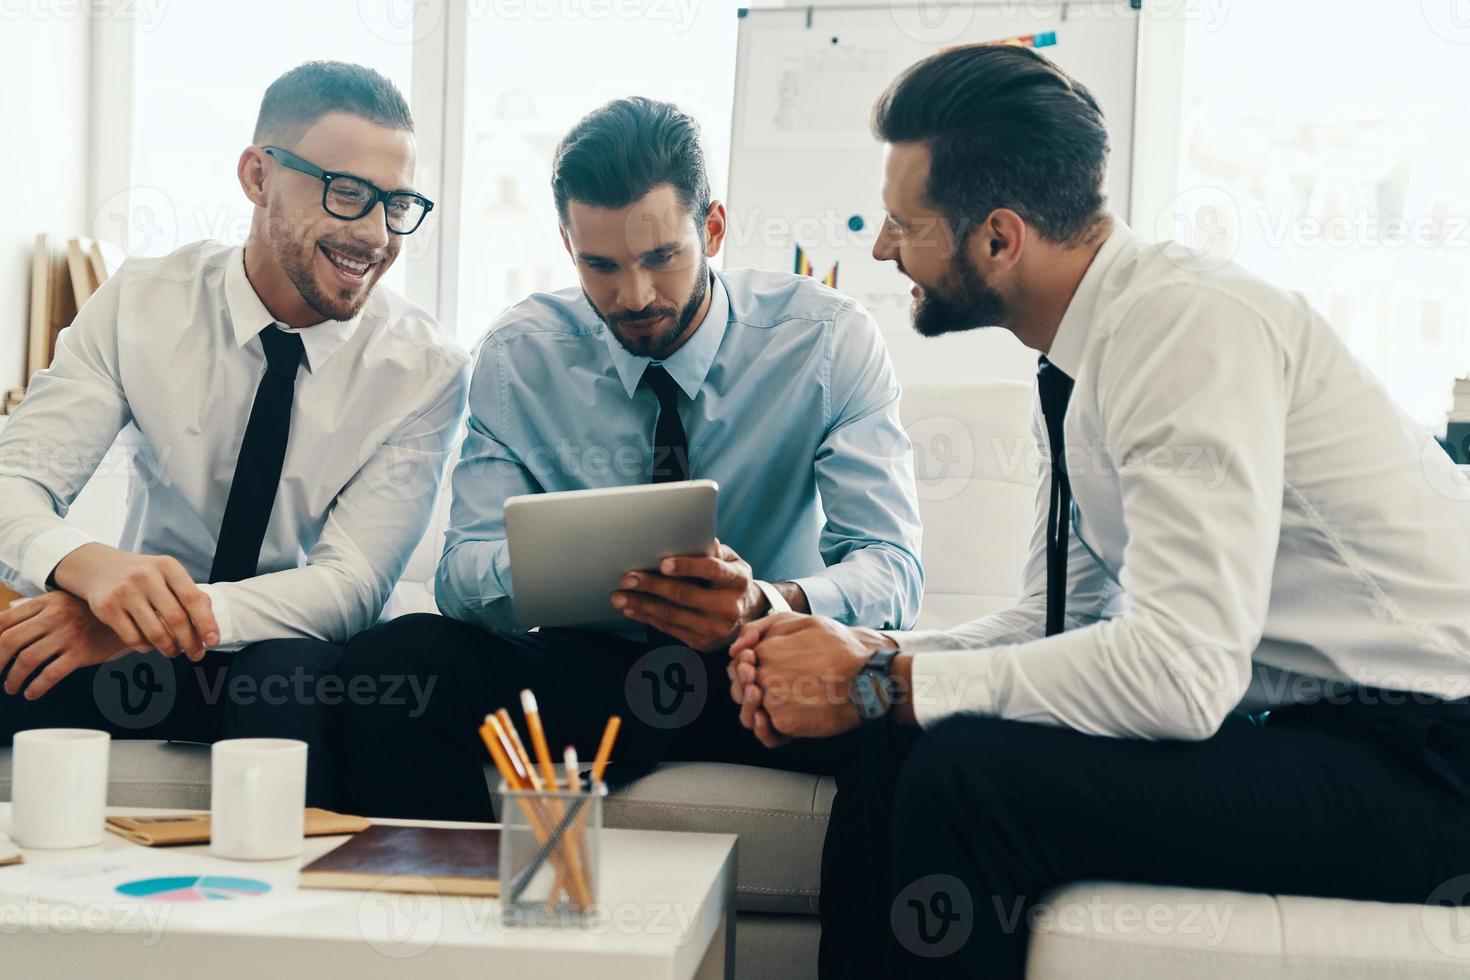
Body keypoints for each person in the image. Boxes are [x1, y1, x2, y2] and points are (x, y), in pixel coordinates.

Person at [725, 44, 1470, 978]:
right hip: (1337, 734)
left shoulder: (1181, 330)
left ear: (999, 238)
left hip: (1433, 759)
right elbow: (1058, 624)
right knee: (894, 745)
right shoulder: (1086, 358)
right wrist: (867, 663)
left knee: (963, 782)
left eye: (900, 224)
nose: (881, 248)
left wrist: (879, 682)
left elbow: (1182, 673)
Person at [339, 96, 923, 821]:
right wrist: (576, 568)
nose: (634, 295)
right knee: (396, 664)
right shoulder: (521, 355)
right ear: (567, 244)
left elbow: (892, 567)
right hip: (592, 671)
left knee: (909, 721)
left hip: (761, 665)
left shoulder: (827, 342)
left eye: (661, 258)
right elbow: (460, 575)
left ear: (711, 229)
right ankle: (445, 924)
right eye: (602, 265)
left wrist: (766, 603)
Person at [0, 61, 469, 807]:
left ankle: (278, 919)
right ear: (258, 176)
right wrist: (89, 570)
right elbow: (16, 480)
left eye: (398, 205)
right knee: (18, 655)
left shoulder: (426, 369)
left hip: (282, 646)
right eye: (348, 194)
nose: (376, 235)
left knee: (289, 682)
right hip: (121, 635)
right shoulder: (142, 304)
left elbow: (350, 586)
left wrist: (150, 622)